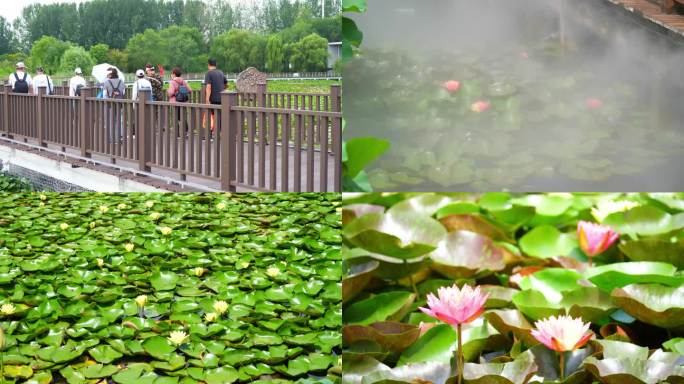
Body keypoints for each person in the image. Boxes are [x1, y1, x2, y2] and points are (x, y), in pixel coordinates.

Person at [167, 67, 192, 138]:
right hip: (183, 102)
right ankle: (186, 132)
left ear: (174, 74)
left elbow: (171, 92)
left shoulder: (172, 82)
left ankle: (177, 133)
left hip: (175, 102)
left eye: (172, 74)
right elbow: (190, 90)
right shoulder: (183, 81)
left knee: (176, 117)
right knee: (183, 117)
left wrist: (168, 92)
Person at [102, 68, 125, 142]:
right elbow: (123, 93)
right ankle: (120, 137)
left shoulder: (107, 82)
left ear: (110, 74)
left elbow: (104, 95)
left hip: (110, 104)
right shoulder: (121, 82)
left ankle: (111, 138)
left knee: (110, 120)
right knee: (119, 120)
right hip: (119, 103)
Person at [203, 58, 226, 131]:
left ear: (208, 64)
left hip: (213, 99)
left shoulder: (208, 73)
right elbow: (226, 83)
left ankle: (213, 134)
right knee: (220, 116)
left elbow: (208, 87)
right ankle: (220, 132)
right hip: (222, 98)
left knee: (212, 117)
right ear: (216, 64)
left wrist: (207, 99)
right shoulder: (221, 72)